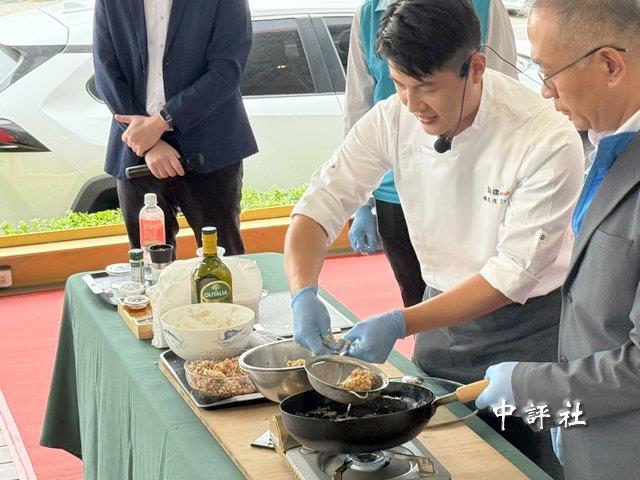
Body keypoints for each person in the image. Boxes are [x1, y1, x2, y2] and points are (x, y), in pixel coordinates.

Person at [284, 0, 584, 476]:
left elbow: (512, 275)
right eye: (399, 84)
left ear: (476, 67)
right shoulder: (393, 116)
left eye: (426, 87)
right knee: (445, 458)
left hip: (531, 334)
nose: (412, 104)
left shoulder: (545, 137)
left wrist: (399, 322)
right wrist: (303, 292)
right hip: (439, 321)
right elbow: (320, 203)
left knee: (527, 465)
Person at [475, 1, 640, 478]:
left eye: (550, 72)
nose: (545, 91)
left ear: (610, 65)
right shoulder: (608, 143)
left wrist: (531, 389)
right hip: (595, 429)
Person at [345, 0, 517, 308]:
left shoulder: (486, 6)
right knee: (415, 296)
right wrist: (361, 206)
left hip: (472, 183)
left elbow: (505, 94)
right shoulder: (369, 13)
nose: (412, 103)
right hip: (396, 190)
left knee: (477, 297)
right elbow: (358, 106)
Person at [93, 0, 257, 253]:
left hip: (209, 144)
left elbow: (227, 69)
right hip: (137, 148)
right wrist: (148, 143)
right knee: (148, 262)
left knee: (222, 257)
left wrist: (161, 122)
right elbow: (106, 70)